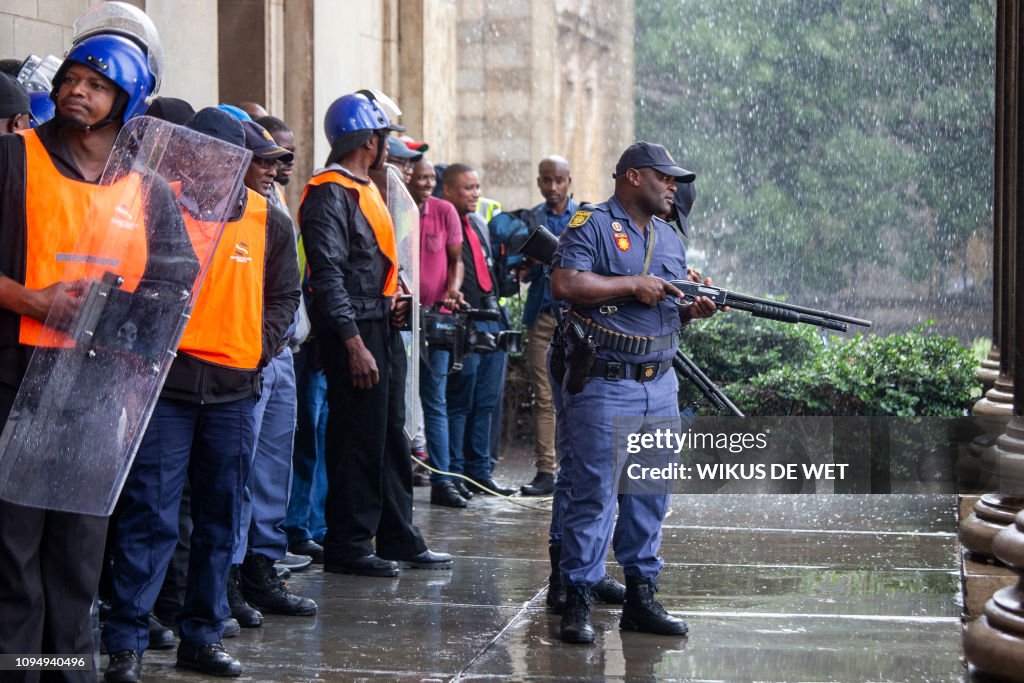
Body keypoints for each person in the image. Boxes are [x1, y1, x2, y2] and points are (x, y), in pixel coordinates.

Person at [0, 31, 180, 682]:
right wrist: (31, 300)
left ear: (125, 101)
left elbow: (173, 285)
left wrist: (126, 330)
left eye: (96, 84)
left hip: (99, 391)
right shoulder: (12, 158)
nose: (76, 91)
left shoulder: (150, 189)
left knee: (78, 556)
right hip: (15, 378)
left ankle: (67, 671)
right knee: (14, 554)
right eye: (71, 79)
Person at [102, 108, 299, 681]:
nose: (215, 166)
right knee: (151, 517)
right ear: (189, 155)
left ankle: (202, 637)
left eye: (228, 157)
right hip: (167, 386)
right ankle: (126, 644)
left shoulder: (269, 220)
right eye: (204, 154)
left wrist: (257, 346)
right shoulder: (156, 203)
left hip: (235, 389)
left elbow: (285, 294)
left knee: (220, 517)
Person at [551, 141, 716, 644]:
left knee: (648, 495)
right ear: (633, 177)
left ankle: (642, 596)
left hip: (659, 384)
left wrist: (691, 310)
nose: (673, 187)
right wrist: (630, 284)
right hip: (605, 383)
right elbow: (565, 283)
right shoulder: (592, 223)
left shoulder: (669, 238)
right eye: (665, 178)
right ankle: (576, 599)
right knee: (594, 494)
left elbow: (662, 308)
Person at [300, 91, 452, 577]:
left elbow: (374, 264)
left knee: (390, 435)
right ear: (370, 140)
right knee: (356, 439)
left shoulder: (368, 186)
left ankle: (397, 534)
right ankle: (348, 542)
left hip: (380, 324)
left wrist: (395, 302)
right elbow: (327, 275)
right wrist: (352, 343)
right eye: (386, 138)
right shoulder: (330, 191)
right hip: (356, 332)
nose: (390, 148)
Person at [226, 120, 316, 625]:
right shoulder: (226, 209)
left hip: (282, 351)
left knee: (272, 467)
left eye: (279, 159)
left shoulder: (274, 203)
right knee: (240, 467)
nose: (275, 169)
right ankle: (233, 575)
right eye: (264, 159)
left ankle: (264, 564)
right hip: (247, 352)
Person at [441, 163, 516, 497]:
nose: (474, 194)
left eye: (476, 187)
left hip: (491, 316)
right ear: (448, 190)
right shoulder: (441, 222)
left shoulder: (479, 223)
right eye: (467, 188)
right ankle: (455, 473)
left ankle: (479, 470)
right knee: (461, 400)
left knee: (487, 399)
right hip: (462, 321)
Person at [407, 157, 468, 507]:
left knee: (435, 400)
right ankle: (404, 473)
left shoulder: (444, 211)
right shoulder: (396, 206)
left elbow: (455, 260)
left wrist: (452, 289)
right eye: (421, 177)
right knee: (401, 402)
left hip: (437, 320)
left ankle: (443, 481)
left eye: (431, 177)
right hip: (402, 320)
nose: (427, 183)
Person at [519, 155, 577, 496]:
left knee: (579, 394)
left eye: (558, 180)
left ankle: (575, 466)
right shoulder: (530, 219)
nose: (552, 187)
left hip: (577, 319)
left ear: (569, 180)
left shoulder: (586, 217)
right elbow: (516, 268)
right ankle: (546, 471)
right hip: (541, 318)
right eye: (545, 180)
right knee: (544, 397)